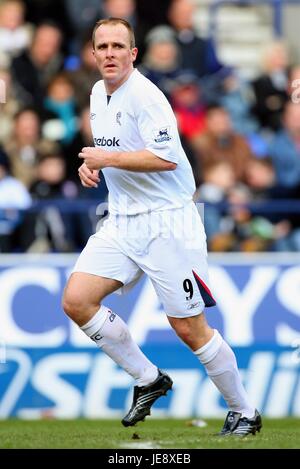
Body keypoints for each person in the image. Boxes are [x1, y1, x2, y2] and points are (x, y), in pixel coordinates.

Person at [62, 17, 262, 436]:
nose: (111, 53)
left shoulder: (146, 96)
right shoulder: (99, 93)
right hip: (121, 220)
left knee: (188, 328)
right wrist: (91, 165)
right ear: (93, 53)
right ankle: (148, 378)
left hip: (168, 223)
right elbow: (114, 149)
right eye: (103, 47)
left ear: (133, 54)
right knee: (77, 300)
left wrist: (107, 160)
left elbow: (166, 157)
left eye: (119, 46)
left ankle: (244, 411)